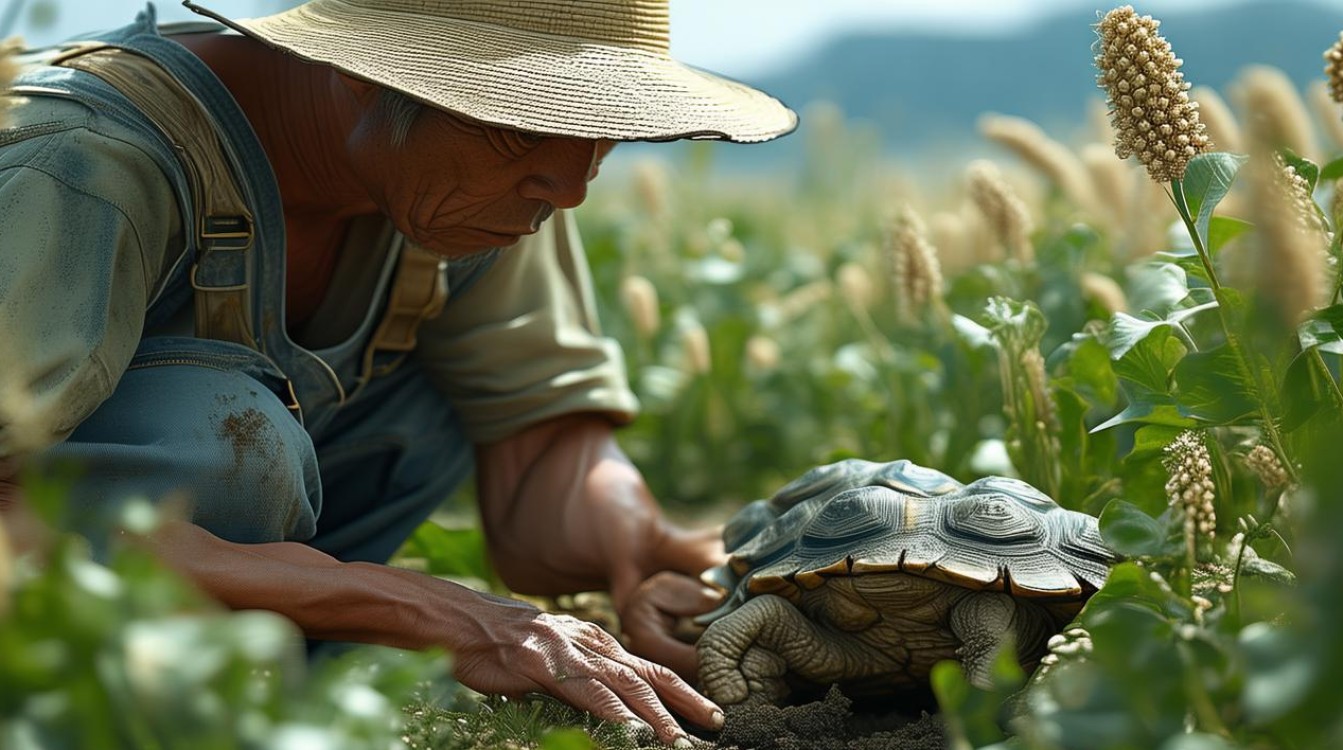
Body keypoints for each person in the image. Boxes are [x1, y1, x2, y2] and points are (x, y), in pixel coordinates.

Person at [0, 0, 796, 745]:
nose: (572, 185)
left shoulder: (473, 190)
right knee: (226, 437)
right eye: (530, 121)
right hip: (53, 608)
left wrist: (651, 549)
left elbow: (542, 448)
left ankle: (288, 663)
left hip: (222, 598)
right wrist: (409, 605)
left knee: (443, 396)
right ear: (367, 68)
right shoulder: (81, 169)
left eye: (601, 127)